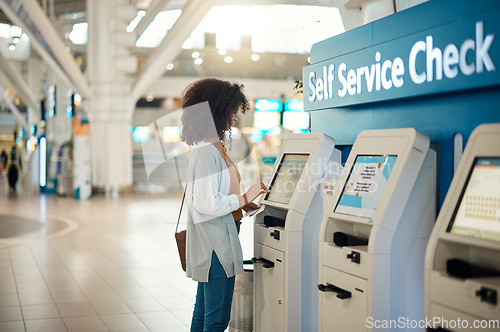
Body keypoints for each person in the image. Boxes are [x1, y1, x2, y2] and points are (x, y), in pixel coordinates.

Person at [181, 78, 269, 332]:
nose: (234, 117)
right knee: (217, 319)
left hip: (215, 239)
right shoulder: (207, 152)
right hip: (215, 244)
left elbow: (212, 194)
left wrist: (242, 205)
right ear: (216, 111)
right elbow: (208, 203)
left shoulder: (210, 148)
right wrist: (243, 198)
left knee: (204, 313)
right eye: (231, 111)